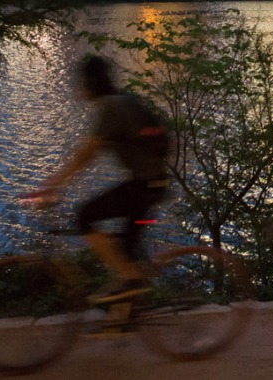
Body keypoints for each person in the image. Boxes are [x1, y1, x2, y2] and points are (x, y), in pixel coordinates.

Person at [26, 54, 170, 302]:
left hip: (145, 185)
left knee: (85, 216)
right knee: (124, 254)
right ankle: (127, 304)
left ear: (92, 82)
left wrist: (52, 185)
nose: (80, 88)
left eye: (82, 82)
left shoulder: (111, 108)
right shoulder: (124, 100)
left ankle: (131, 279)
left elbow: (87, 154)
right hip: (154, 183)